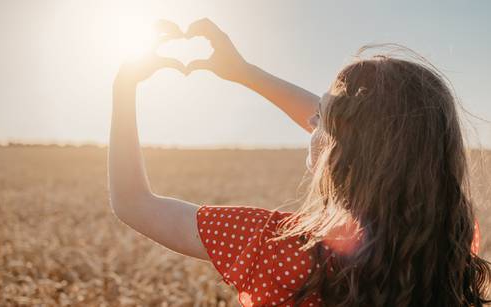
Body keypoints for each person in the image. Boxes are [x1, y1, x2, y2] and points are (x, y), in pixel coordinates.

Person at [109, 18, 490, 306]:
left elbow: (133, 203)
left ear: (341, 151)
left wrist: (124, 86)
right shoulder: (452, 237)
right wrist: (244, 73)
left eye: (320, 116)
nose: (309, 118)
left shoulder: (279, 247)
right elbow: (377, 137)